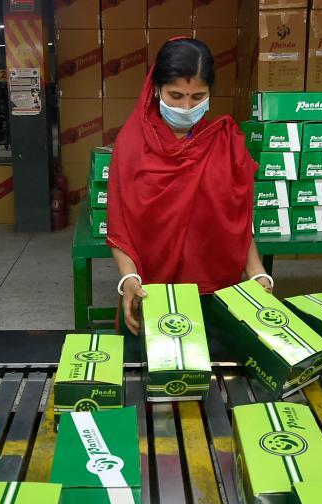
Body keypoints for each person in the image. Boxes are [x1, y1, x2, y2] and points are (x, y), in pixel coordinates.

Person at [106, 38, 269, 335]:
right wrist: (128, 279)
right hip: (152, 294)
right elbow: (120, 227)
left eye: (197, 97)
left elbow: (237, 221)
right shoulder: (132, 146)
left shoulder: (225, 142)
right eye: (176, 95)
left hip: (218, 292)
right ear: (156, 89)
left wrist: (258, 273)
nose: (186, 107)